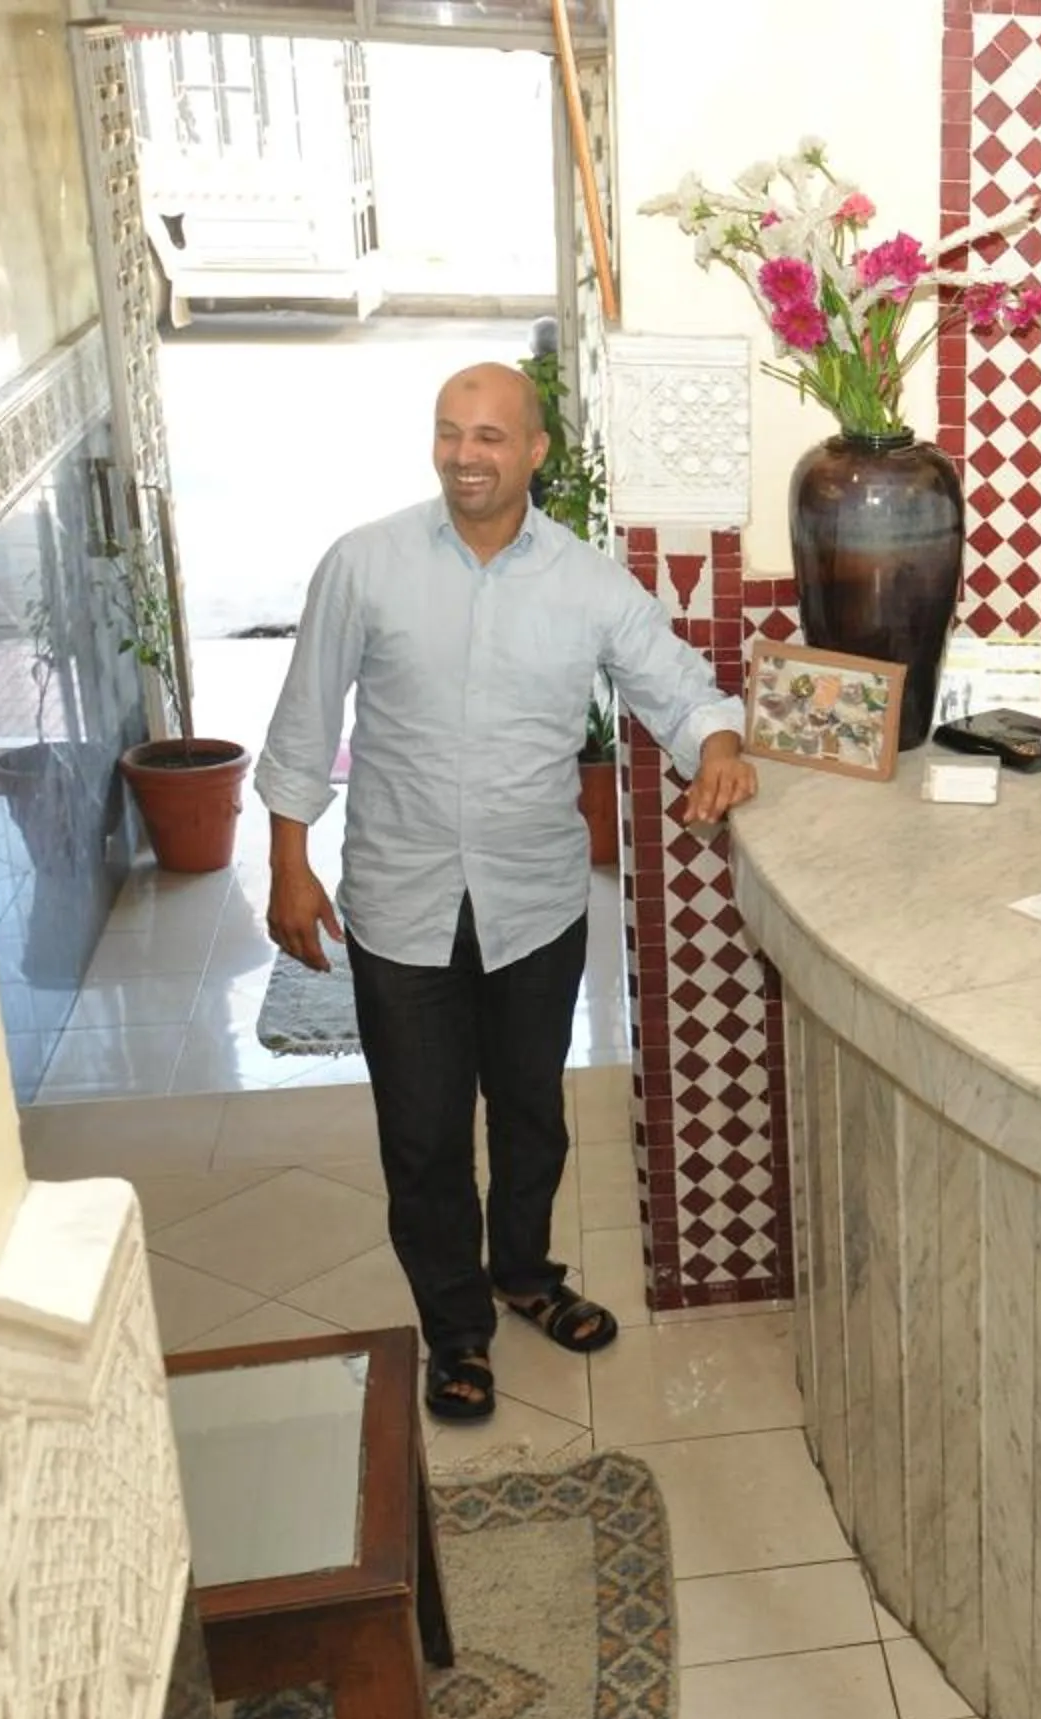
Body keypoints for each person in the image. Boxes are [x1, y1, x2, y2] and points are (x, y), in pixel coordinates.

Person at [259, 362, 756, 1424]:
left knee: (532, 1118)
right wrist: (288, 862)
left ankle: (525, 1274)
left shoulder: (586, 582)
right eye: (450, 433)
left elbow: (677, 684)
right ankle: (456, 1329)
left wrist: (717, 746)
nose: (465, 456)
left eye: (489, 436)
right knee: (425, 1136)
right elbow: (305, 716)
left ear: (535, 451)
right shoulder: (364, 563)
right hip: (400, 903)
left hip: (535, 904)